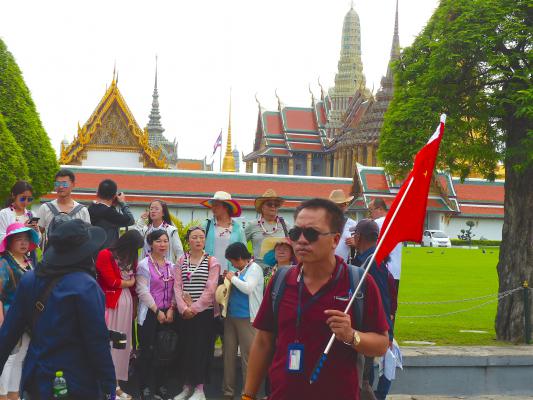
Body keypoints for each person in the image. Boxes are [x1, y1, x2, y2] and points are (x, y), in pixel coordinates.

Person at [243, 198, 389, 400]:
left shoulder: (358, 283)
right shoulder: (281, 280)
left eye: (311, 234)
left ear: (335, 240)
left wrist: (351, 335)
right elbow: (263, 342)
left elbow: (382, 344)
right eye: (296, 233)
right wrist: (248, 395)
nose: (301, 240)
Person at [0, 219, 116, 399]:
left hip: (37, 375)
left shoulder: (30, 279)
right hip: (76, 380)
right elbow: (97, 342)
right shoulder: (85, 286)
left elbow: (8, 334)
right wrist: (109, 384)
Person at [350, 219, 396, 400]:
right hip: (361, 326)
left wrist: (388, 335)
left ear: (359, 237)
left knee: (362, 381)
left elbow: (382, 300)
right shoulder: (367, 259)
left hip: (368, 329)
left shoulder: (372, 263)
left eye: (354, 234)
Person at [173, 227, 221, 400]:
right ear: (188, 240)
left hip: (204, 314)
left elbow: (211, 289)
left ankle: (200, 390)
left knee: (201, 350)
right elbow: (177, 286)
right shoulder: (181, 260)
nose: (198, 240)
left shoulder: (212, 261)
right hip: (184, 313)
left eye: (201, 237)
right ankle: (186, 387)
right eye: (194, 237)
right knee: (185, 349)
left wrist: (194, 308)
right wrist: (184, 309)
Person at [95, 230, 144, 400]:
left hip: (127, 304)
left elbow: (134, 286)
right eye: (134, 248)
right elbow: (111, 281)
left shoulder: (132, 257)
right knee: (108, 344)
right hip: (110, 304)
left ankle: (116, 385)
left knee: (122, 346)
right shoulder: (105, 254)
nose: (135, 252)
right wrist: (130, 282)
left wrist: (135, 305)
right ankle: (108, 386)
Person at [136, 230, 177, 400]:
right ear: (151, 244)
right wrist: (157, 310)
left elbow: (177, 289)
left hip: (168, 314)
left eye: (165, 241)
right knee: (147, 351)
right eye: (158, 241)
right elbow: (142, 290)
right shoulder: (144, 265)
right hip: (150, 314)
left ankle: (161, 386)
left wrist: (171, 309)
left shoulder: (172, 266)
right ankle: (144, 386)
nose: (163, 245)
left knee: (165, 352)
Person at [0, 223, 39, 400]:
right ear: (9, 242)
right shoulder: (3, 263)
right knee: (7, 357)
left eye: (26, 240)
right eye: (18, 240)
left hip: (26, 318)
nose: (23, 243)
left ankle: (13, 394)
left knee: (20, 357)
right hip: (9, 314)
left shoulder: (28, 263)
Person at [223, 242, 264, 400]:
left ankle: (248, 393)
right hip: (231, 317)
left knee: (248, 358)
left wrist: (232, 278)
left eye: (232, 261)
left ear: (239, 258)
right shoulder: (240, 270)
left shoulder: (255, 269)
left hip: (248, 318)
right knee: (228, 355)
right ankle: (228, 392)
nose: (232, 264)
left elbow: (248, 288)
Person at [201, 191, 246, 275]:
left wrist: (235, 272)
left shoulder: (238, 228)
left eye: (216, 205)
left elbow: (244, 253)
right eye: (212, 205)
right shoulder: (206, 225)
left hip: (231, 274)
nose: (213, 208)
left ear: (226, 207)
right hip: (208, 273)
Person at [37, 168, 91, 236]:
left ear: (73, 184)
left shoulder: (82, 211)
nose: (61, 187)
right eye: (57, 184)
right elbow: (37, 234)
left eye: (64, 184)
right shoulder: (45, 208)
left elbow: (88, 235)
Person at [245, 189, 289, 269]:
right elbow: (241, 244)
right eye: (269, 204)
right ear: (262, 207)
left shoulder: (285, 225)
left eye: (276, 205)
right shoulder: (252, 225)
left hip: (281, 270)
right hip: (258, 270)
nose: (273, 207)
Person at [0, 181, 41, 265]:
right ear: (13, 195)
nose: (26, 202)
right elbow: (1, 238)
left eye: (29, 199)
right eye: (23, 198)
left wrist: (36, 231)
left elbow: (38, 240)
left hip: (28, 258)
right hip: (9, 259)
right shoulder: (4, 214)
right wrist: (22, 228)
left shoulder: (32, 214)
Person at [89, 179, 135, 248]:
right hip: (106, 253)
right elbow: (130, 220)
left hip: (92, 250)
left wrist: (113, 206)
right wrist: (123, 203)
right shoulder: (109, 213)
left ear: (97, 193)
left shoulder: (91, 208)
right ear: (114, 196)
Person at [368, 198, 402, 293]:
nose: (370, 214)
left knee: (380, 304)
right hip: (396, 271)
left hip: (382, 270)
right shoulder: (395, 222)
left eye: (371, 210)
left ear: (379, 209)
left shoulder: (377, 223)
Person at [135, 199, 184, 264]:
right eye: (151, 209)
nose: (153, 211)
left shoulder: (171, 230)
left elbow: (179, 252)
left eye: (156, 209)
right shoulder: (146, 229)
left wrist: (177, 269)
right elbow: (135, 237)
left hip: (165, 270)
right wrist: (141, 220)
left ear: (163, 213)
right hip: (146, 269)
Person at [329, 189, 358, 263]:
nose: (339, 208)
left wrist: (356, 243)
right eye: (336, 206)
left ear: (345, 206)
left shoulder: (352, 224)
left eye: (342, 205)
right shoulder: (322, 222)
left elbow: (362, 246)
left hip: (343, 268)